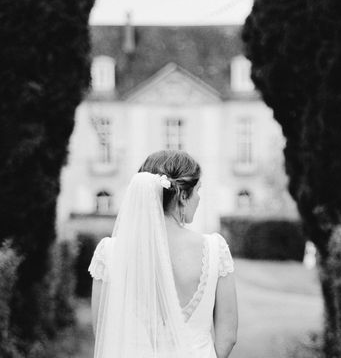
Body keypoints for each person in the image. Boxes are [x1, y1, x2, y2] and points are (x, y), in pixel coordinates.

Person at [88, 150, 238, 358]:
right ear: (183, 195)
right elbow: (228, 335)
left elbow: (103, 332)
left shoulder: (110, 253)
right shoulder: (215, 249)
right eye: (198, 190)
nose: (199, 198)